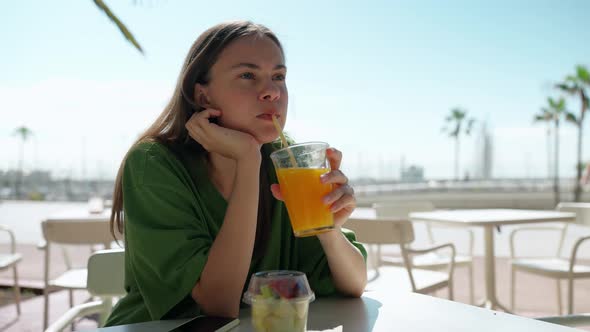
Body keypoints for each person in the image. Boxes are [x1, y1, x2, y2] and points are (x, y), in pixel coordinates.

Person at [104, 21, 367, 326]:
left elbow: (354, 285)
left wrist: (329, 230)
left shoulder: (287, 162)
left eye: (278, 76)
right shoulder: (154, 164)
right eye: (247, 75)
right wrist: (247, 161)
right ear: (203, 96)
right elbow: (218, 305)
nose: (271, 92)